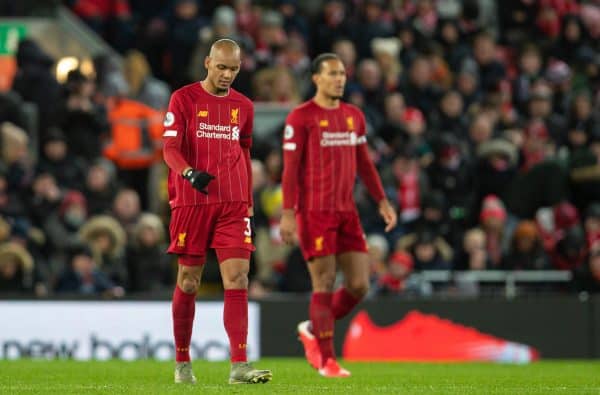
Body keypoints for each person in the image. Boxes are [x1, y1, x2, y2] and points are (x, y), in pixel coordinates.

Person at [279, 53, 397, 377]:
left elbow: (364, 162)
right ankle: (327, 361)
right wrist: (288, 213)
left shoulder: (354, 116)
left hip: (347, 211)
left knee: (359, 285)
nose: (340, 79)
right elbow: (290, 171)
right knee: (325, 282)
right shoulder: (300, 118)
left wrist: (382, 201)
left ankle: (313, 328)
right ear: (316, 78)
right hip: (314, 212)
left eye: (343, 73)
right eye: (332, 73)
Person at [162, 39, 271, 385]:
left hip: (234, 203)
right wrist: (189, 173)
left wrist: (249, 200)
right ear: (208, 62)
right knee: (189, 281)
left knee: (238, 279)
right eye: (221, 67)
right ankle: (182, 362)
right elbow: (169, 148)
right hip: (192, 201)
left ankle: (239, 364)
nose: (227, 75)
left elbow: (245, 152)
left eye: (234, 69)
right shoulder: (184, 99)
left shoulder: (245, 106)